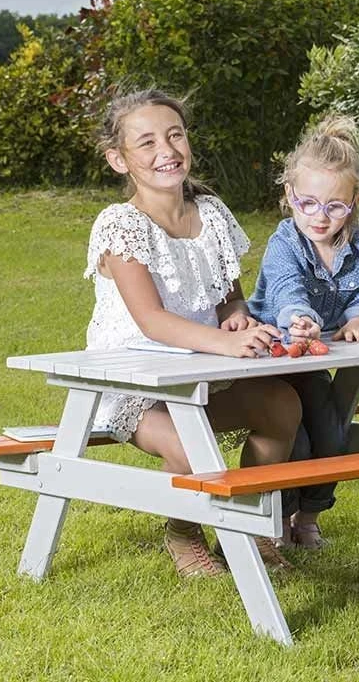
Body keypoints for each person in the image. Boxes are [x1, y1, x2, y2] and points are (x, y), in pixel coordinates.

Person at [87, 89, 301, 576]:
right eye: (147, 143)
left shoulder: (212, 214)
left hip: (202, 370)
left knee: (281, 404)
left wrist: (237, 317)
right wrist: (225, 342)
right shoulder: (120, 225)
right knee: (189, 446)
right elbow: (151, 320)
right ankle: (183, 531)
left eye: (175, 135)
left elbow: (230, 296)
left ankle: (249, 526)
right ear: (118, 159)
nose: (166, 150)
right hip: (136, 384)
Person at [248, 115, 359, 550]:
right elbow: (287, 287)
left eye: (335, 206)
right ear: (290, 196)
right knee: (298, 441)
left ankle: (309, 517)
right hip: (274, 357)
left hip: (315, 361)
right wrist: (299, 318)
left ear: (354, 201)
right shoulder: (285, 242)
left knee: (331, 431)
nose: (320, 218)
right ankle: (280, 518)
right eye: (308, 203)